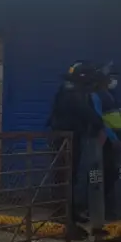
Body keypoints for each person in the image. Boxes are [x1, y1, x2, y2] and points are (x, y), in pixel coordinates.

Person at [47, 61, 105, 227]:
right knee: (64, 176)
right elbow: (84, 111)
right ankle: (62, 213)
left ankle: (70, 212)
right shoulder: (71, 91)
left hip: (71, 137)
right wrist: (99, 124)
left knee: (70, 176)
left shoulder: (72, 89)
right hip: (64, 139)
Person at [90, 64, 121, 219]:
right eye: (111, 78)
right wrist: (113, 139)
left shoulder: (111, 95)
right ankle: (104, 211)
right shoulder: (97, 96)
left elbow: (118, 116)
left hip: (114, 139)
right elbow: (101, 121)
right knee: (105, 175)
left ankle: (110, 209)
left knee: (112, 174)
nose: (114, 81)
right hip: (105, 141)